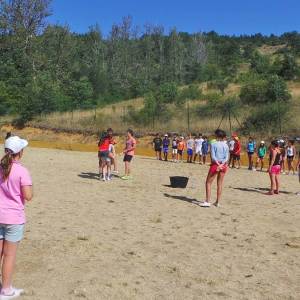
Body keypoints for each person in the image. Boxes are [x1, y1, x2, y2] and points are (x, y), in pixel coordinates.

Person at [0, 136, 33, 298]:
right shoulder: (22, 171)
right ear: (20, 152)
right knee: (9, 255)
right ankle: (6, 290)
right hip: (13, 218)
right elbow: (28, 196)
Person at [200, 129, 229, 207]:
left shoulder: (213, 144)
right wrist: (222, 164)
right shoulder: (226, 145)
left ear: (216, 135)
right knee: (220, 184)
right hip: (224, 165)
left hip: (216, 165)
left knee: (208, 183)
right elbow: (226, 157)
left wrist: (218, 165)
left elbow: (213, 157)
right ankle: (217, 202)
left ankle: (207, 201)